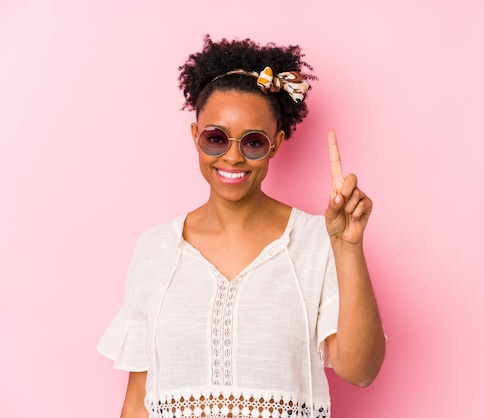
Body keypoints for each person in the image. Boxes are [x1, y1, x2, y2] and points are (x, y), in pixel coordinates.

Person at [97, 36, 386, 418]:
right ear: (195, 137)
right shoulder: (155, 250)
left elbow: (360, 371)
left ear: (276, 144)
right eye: (215, 138)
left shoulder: (318, 242)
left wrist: (347, 248)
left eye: (253, 142)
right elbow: (138, 403)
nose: (232, 156)